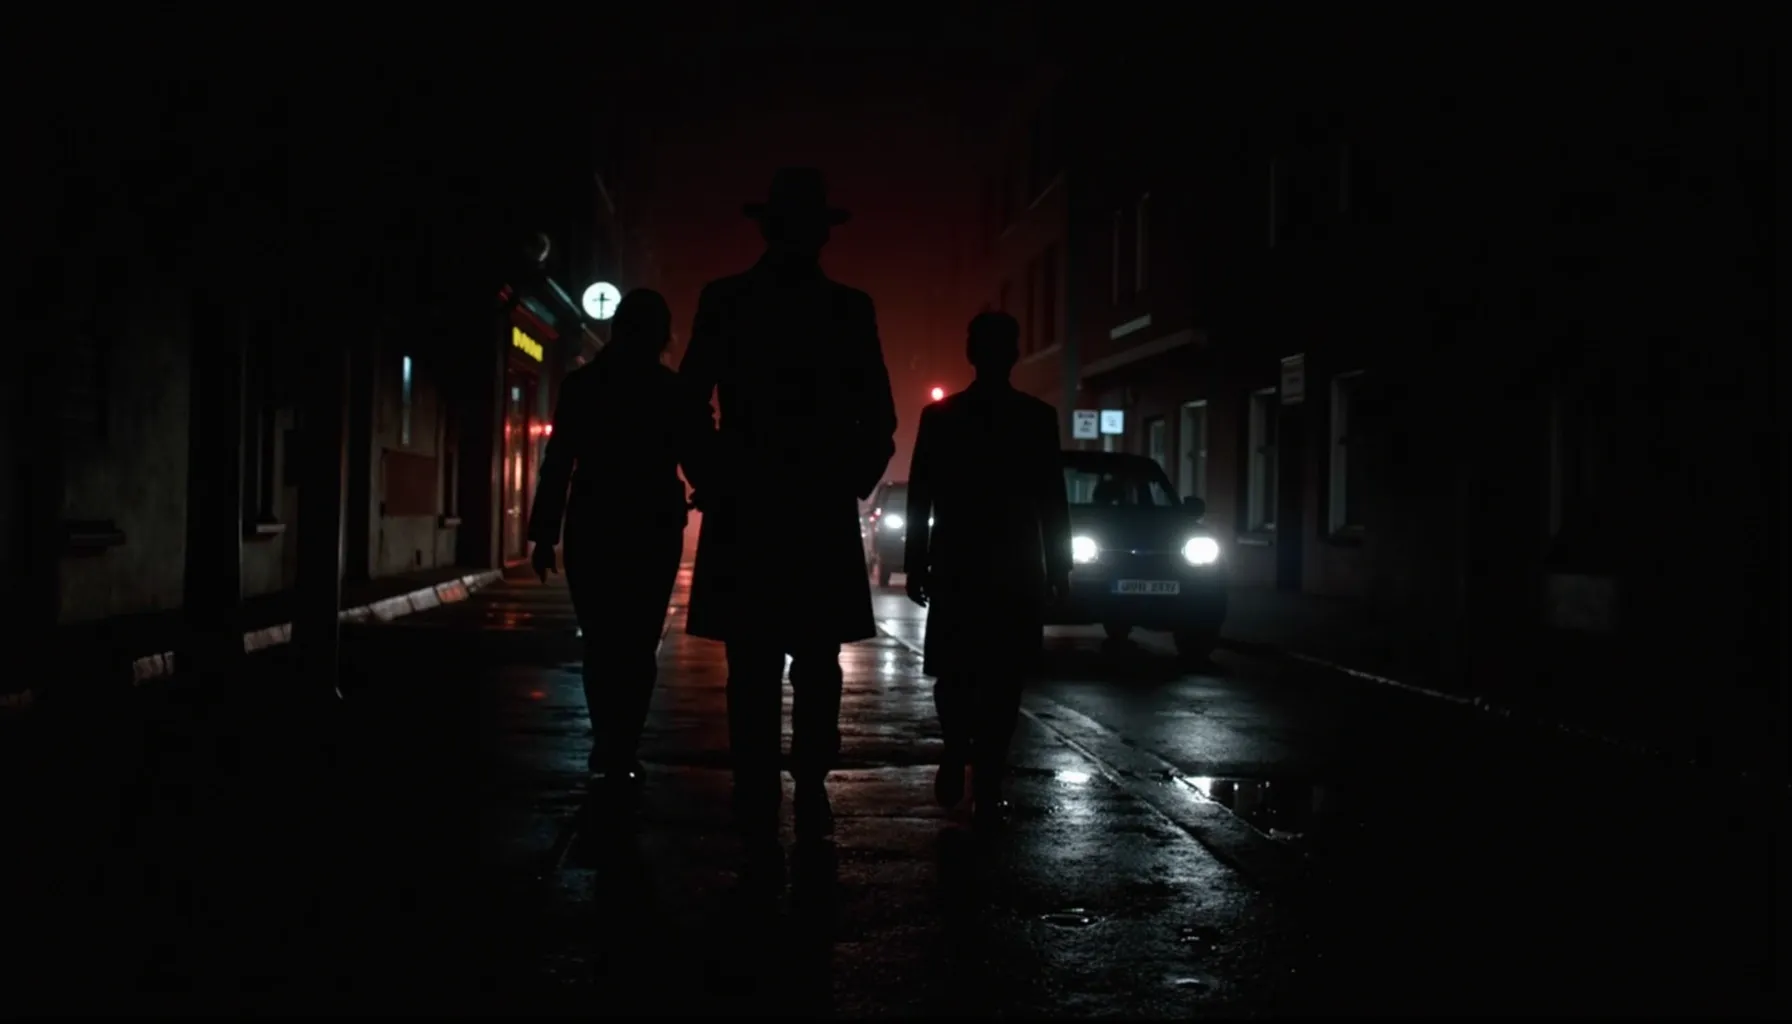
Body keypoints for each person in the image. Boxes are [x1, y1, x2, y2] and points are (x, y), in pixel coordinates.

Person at [679, 168, 898, 851]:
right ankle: (806, 782)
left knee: (755, 662)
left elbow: (687, 404)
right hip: (812, 507)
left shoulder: (727, 299)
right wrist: (844, 482)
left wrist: (717, 476)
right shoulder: (848, 308)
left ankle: (762, 787)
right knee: (814, 659)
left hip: (749, 504)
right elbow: (879, 419)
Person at [528, 288, 714, 795]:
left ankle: (608, 739)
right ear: (661, 336)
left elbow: (558, 462)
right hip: (652, 527)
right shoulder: (670, 391)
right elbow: (698, 458)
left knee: (601, 641)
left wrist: (544, 534)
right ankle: (623, 744)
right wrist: (714, 494)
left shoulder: (582, 386)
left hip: (593, 524)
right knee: (637, 642)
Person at [902, 312, 1071, 824]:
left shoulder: (942, 417)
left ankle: (958, 748)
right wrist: (1058, 568)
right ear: (1014, 354)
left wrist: (916, 561)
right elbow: (1052, 499)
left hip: (959, 562)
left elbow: (921, 495)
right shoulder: (1036, 417)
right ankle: (989, 777)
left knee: (956, 671)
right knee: (1005, 678)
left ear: (971, 353)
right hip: (1016, 566)